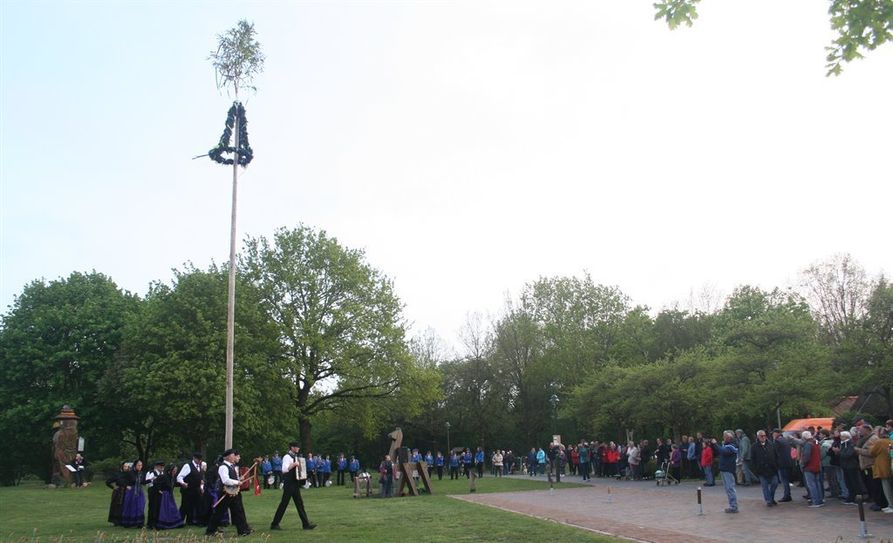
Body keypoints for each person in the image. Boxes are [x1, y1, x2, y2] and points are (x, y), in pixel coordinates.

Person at [270, 441, 316, 531]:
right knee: (284, 504)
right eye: (297, 447)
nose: (298, 448)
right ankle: (274, 524)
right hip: (289, 483)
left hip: (295, 483)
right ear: (292, 448)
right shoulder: (287, 457)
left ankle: (306, 524)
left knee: (299, 503)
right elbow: (284, 470)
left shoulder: (295, 457)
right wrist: (294, 464)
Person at [205, 449, 252, 537]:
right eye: (233, 455)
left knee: (238, 511)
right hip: (224, 493)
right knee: (219, 512)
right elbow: (225, 480)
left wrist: (238, 480)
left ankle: (242, 530)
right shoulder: (223, 467)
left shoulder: (232, 466)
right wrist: (237, 482)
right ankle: (210, 530)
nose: (235, 457)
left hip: (233, 492)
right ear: (228, 457)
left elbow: (232, 478)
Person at [751, 430, 779, 507]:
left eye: (764, 435)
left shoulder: (771, 444)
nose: (763, 437)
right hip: (761, 470)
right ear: (758, 437)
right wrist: (756, 468)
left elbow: (776, 455)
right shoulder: (754, 446)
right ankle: (769, 500)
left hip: (772, 469)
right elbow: (753, 459)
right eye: (761, 436)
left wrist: (776, 465)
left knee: (775, 483)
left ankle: (771, 498)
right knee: (765, 486)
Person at [176, 452, 205, 525]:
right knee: (185, 506)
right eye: (198, 459)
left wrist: (201, 487)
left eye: (200, 460)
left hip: (197, 490)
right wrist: (183, 483)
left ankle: (192, 521)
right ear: (194, 458)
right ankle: (180, 521)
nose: (199, 461)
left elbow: (201, 480)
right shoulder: (188, 466)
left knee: (196, 506)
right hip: (188, 490)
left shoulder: (200, 467)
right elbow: (179, 476)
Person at [799, 431, 824, 507]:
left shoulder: (807, 444)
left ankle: (815, 501)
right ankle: (820, 500)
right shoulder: (816, 442)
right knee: (817, 484)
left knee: (811, 485)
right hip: (817, 465)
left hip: (809, 467)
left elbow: (806, 457)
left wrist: (802, 464)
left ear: (804, 437)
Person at [120, 459, 146, 528]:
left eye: (141, 465)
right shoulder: (130, 473)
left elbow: (143, 482)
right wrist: (126, 486)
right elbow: (121, 480)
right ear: (135, 465)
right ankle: (129, 523)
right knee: (130, 506)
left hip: (139, 491)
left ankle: (140, 523)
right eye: (139, 465)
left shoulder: (141, 473)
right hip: (131, 492)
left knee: (140, 506)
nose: (140, 466)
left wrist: (150, 480)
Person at [718, 432, 739, 513]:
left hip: (728, 469)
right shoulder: (726, 445)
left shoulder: (732, 446)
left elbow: (723, 451)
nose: (724, 438)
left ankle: (734, 506)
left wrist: (716, 444)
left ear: (729, 438)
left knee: (730, 488)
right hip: (724, 469)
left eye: (725, 437)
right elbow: (719, 451)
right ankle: (732, 505)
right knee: (727, 488)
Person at [105, 461, 129, 526]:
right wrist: (113, 487)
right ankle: (116, 521)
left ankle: (124, 520)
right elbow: (108, 482)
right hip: (119, 492)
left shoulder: (129, 474)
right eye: (125, 466)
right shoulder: (117, 474)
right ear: (122, 467)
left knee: (125, 506)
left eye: (127, 467)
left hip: (127, 492)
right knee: (117, 507)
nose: (126, 468)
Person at [145, 460, 167, 529]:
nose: (162, 468)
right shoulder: (151, 473)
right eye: (160, 467)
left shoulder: (162, 473)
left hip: (160, 491)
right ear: (157, 467)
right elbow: (147, 483)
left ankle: (158, 522)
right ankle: (151, 523)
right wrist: (152, 480)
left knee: (158, 507)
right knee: (153, 507)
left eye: (163, 467)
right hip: (153, 491)